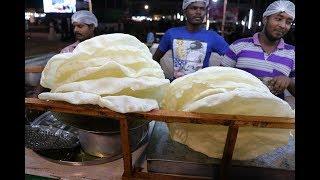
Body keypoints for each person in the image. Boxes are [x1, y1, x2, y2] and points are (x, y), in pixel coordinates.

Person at [220, 0, 295, 99]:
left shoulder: (292, 53)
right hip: (238, 109)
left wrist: (289, 82)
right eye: (278, 19)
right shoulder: (239, 46)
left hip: (272, 112)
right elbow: (219, 78)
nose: (283, 25)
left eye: (288, 22)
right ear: (265, 20)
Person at [153, 0, 229, 80]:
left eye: (202, 9)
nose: (198, 12)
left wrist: (217, 79)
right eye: (194, 8)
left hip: (200, 89)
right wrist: (160, 79)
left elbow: (232, 57)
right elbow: (154, 60)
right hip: (177, 88)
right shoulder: (171, 34)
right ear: (185, 11)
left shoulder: (212, 36)